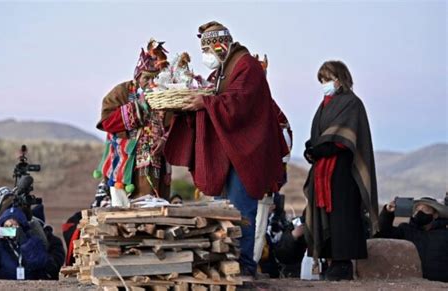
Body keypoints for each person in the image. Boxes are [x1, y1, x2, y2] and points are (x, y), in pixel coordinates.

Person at [164, 21, 289, 276]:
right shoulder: (222, 71)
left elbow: (239, 103)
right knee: (222, 211)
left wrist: (206, 103)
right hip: (227, 154)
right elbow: (217, 100)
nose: (206, 56)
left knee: (241, 211)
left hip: (246, 153)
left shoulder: (247, 67)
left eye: (208, 49)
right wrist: (199, 104)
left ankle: (243, 266)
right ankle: (225, 263)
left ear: (221, 45)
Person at [303, 60, 378, 281]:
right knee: (324, 213)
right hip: (322, 170)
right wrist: (312, 150)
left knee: (342, 216)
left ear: (340, 79)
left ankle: (342, 263)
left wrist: (320, 149)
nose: (325, 84)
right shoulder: (324, 104)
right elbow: (320, 136)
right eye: (322, 80)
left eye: (328, 79)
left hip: (343, 170)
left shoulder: (352, 103)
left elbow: (344, 137)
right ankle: (328, 260)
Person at [94, 38, 172, 207]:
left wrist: (165, 140)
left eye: (156, 78)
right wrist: (139, 108)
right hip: (126, 161)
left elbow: (173, 124)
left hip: (156, 162)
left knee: (155, 204)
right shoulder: (122, 92)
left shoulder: (165, 95)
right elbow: (107, 122)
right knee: (126, 207)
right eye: (147, 78)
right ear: (137, 77)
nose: (151, 83)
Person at [0, 187, 64, 280]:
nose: (11, 228)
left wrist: (24, 241)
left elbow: (42, 262)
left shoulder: (32, 230)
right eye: (7, 225)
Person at [377, 197, 448, 282]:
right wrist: (387, 212)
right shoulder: (406, 230)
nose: (420, 212)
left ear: (435, 214)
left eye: (425, 209)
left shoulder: (445, 234)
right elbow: (385, 231)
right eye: (417, 210)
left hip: (442, 283)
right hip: (413, 282)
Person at [0, 207, 49, 280]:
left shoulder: (33, 240)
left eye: (13, 226)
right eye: (6, 227)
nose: (9, 230)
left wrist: (24, 242)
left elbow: (39, 262)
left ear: (21, 226)